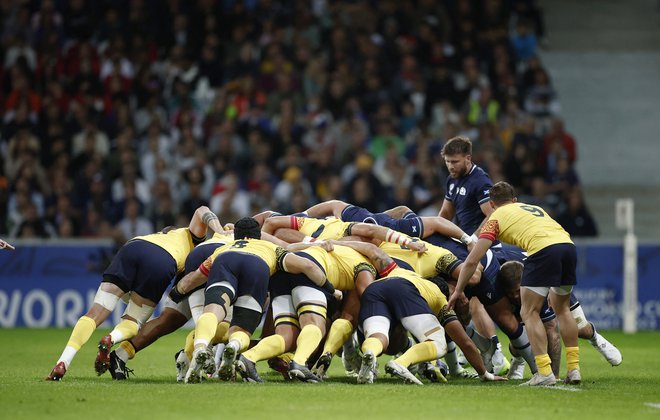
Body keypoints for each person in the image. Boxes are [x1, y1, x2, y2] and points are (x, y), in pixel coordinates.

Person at [46, 206, 224, 381]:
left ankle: (63, 361)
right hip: (162, 261)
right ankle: (111, 338)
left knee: (94, 313)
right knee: (133, 321)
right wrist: (220, 230)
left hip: (132, 247)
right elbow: (202, 210)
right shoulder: (194, 239)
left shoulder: (162, 236)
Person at [448, 181, 581, 386]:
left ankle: (544, 372)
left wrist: (457, 291)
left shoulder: (494, 219)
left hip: (543, 249)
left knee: (528, 312)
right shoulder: (534, 208)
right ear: (515, 200)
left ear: (491, 205)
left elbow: (472, 260)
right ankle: (574, 369)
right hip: (568, 246)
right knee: (563, 309)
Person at [176, 217, 333, 383]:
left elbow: (193, 279)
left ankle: (200, 347)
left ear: (236, 236)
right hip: (257, 265)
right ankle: (234, 346)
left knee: (213, 313)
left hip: (225, 261)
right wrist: (329, 287)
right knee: (241, 331)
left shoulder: (223, 248)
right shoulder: (272, 247)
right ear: (259, 235)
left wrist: (177, 292)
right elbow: (307, 266)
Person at [236, 242, 377, 383]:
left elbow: (290, 247)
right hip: (310, 271)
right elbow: (368, 293)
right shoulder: (365, 264)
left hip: (282, 272)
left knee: (286, 337)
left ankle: (249, 358)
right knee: (315, 325)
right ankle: (299, 363)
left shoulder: (337, 249)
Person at [107, 230, 234, 380]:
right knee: (225, 323)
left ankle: (121, 355)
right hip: (220, 263)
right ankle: (193, 354)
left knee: (168, 319)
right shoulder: (258, 246)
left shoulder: (211, 235)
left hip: (194, 264)